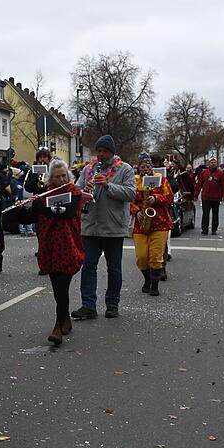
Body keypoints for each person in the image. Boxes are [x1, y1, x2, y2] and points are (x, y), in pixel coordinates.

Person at [9, 162, 84, 345]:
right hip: (49, 247)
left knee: (62, 287)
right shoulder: (45, 195)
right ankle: (65, 319)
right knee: (57, 288)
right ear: (51, 178)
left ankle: (58, 326)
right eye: (57, 177)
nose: (61, 180)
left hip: (68, 247)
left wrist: (39, 205)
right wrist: (21, 209)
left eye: (64, 176)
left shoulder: (74, 194)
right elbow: (30, 219)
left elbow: (65, 213)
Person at [73, 135, 135, 319]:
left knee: (113, 267)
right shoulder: (88, 169)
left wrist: (108, 186)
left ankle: (112, 304)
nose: (101, 154)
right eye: (98, 151)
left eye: (104, 151)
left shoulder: (124, 169)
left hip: (112, 227)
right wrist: (85, 191)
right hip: (91, 226)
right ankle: (88, 305)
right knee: (89, 266)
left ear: (111, 152)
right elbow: (77, 190)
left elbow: (131, 193)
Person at [131, 156, 173, 297]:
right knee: (142, 256)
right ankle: (147, 279)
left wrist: (156, 198)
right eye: (142, 167)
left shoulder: (160, 179)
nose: (145, 170)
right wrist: (136, 211)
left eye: (148, 167)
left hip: (159, 222)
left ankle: (154, 285)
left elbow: (169, 198)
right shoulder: (133, 181)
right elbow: (128, 200)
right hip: (141, 223)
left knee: (155, 256)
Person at [195, 157, 224, 236]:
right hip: (205, 197)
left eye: (214, 162)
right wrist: (195, 195)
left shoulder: (220, 173)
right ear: (209, 163)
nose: (213, 164)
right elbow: (199, 184)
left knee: (215, 214)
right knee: (205, 213)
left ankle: (214, 229)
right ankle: (204, 229)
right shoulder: (204, 173)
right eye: (212, 162)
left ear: (217, 163)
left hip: (216, 197)